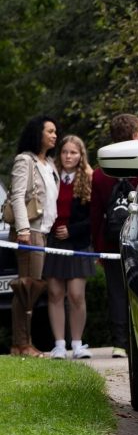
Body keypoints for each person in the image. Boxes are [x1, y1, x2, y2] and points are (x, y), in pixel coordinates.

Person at [90, 114, 138, 358]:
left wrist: (97, 247)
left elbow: (96, 215)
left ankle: (120, 343)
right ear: (134, 136)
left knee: (116, 291)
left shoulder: (100, 175)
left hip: (111, 242)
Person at [7, 116, 59, 357]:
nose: (54, 135)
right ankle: (21, 344)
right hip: (30, 232)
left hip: (43, 233)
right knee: (26, 286)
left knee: (32, 286)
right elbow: (16, 195)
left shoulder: (49, 163)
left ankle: (23, 343)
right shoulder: (24, 161)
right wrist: (24, 229)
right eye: (50, 131)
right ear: (37, 133)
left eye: (55, 132)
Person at [42, 135, 97, 359]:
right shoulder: (51, 175)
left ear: (80, 155)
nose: (68, 156)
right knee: (55, 293)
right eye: (65, 152)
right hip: (54, 242)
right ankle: (59, 345)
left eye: (73, 152)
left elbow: (94, 217)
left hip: (78, 243)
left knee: (76, 294)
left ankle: (77, 344)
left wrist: (72, 231)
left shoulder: (89, 178)